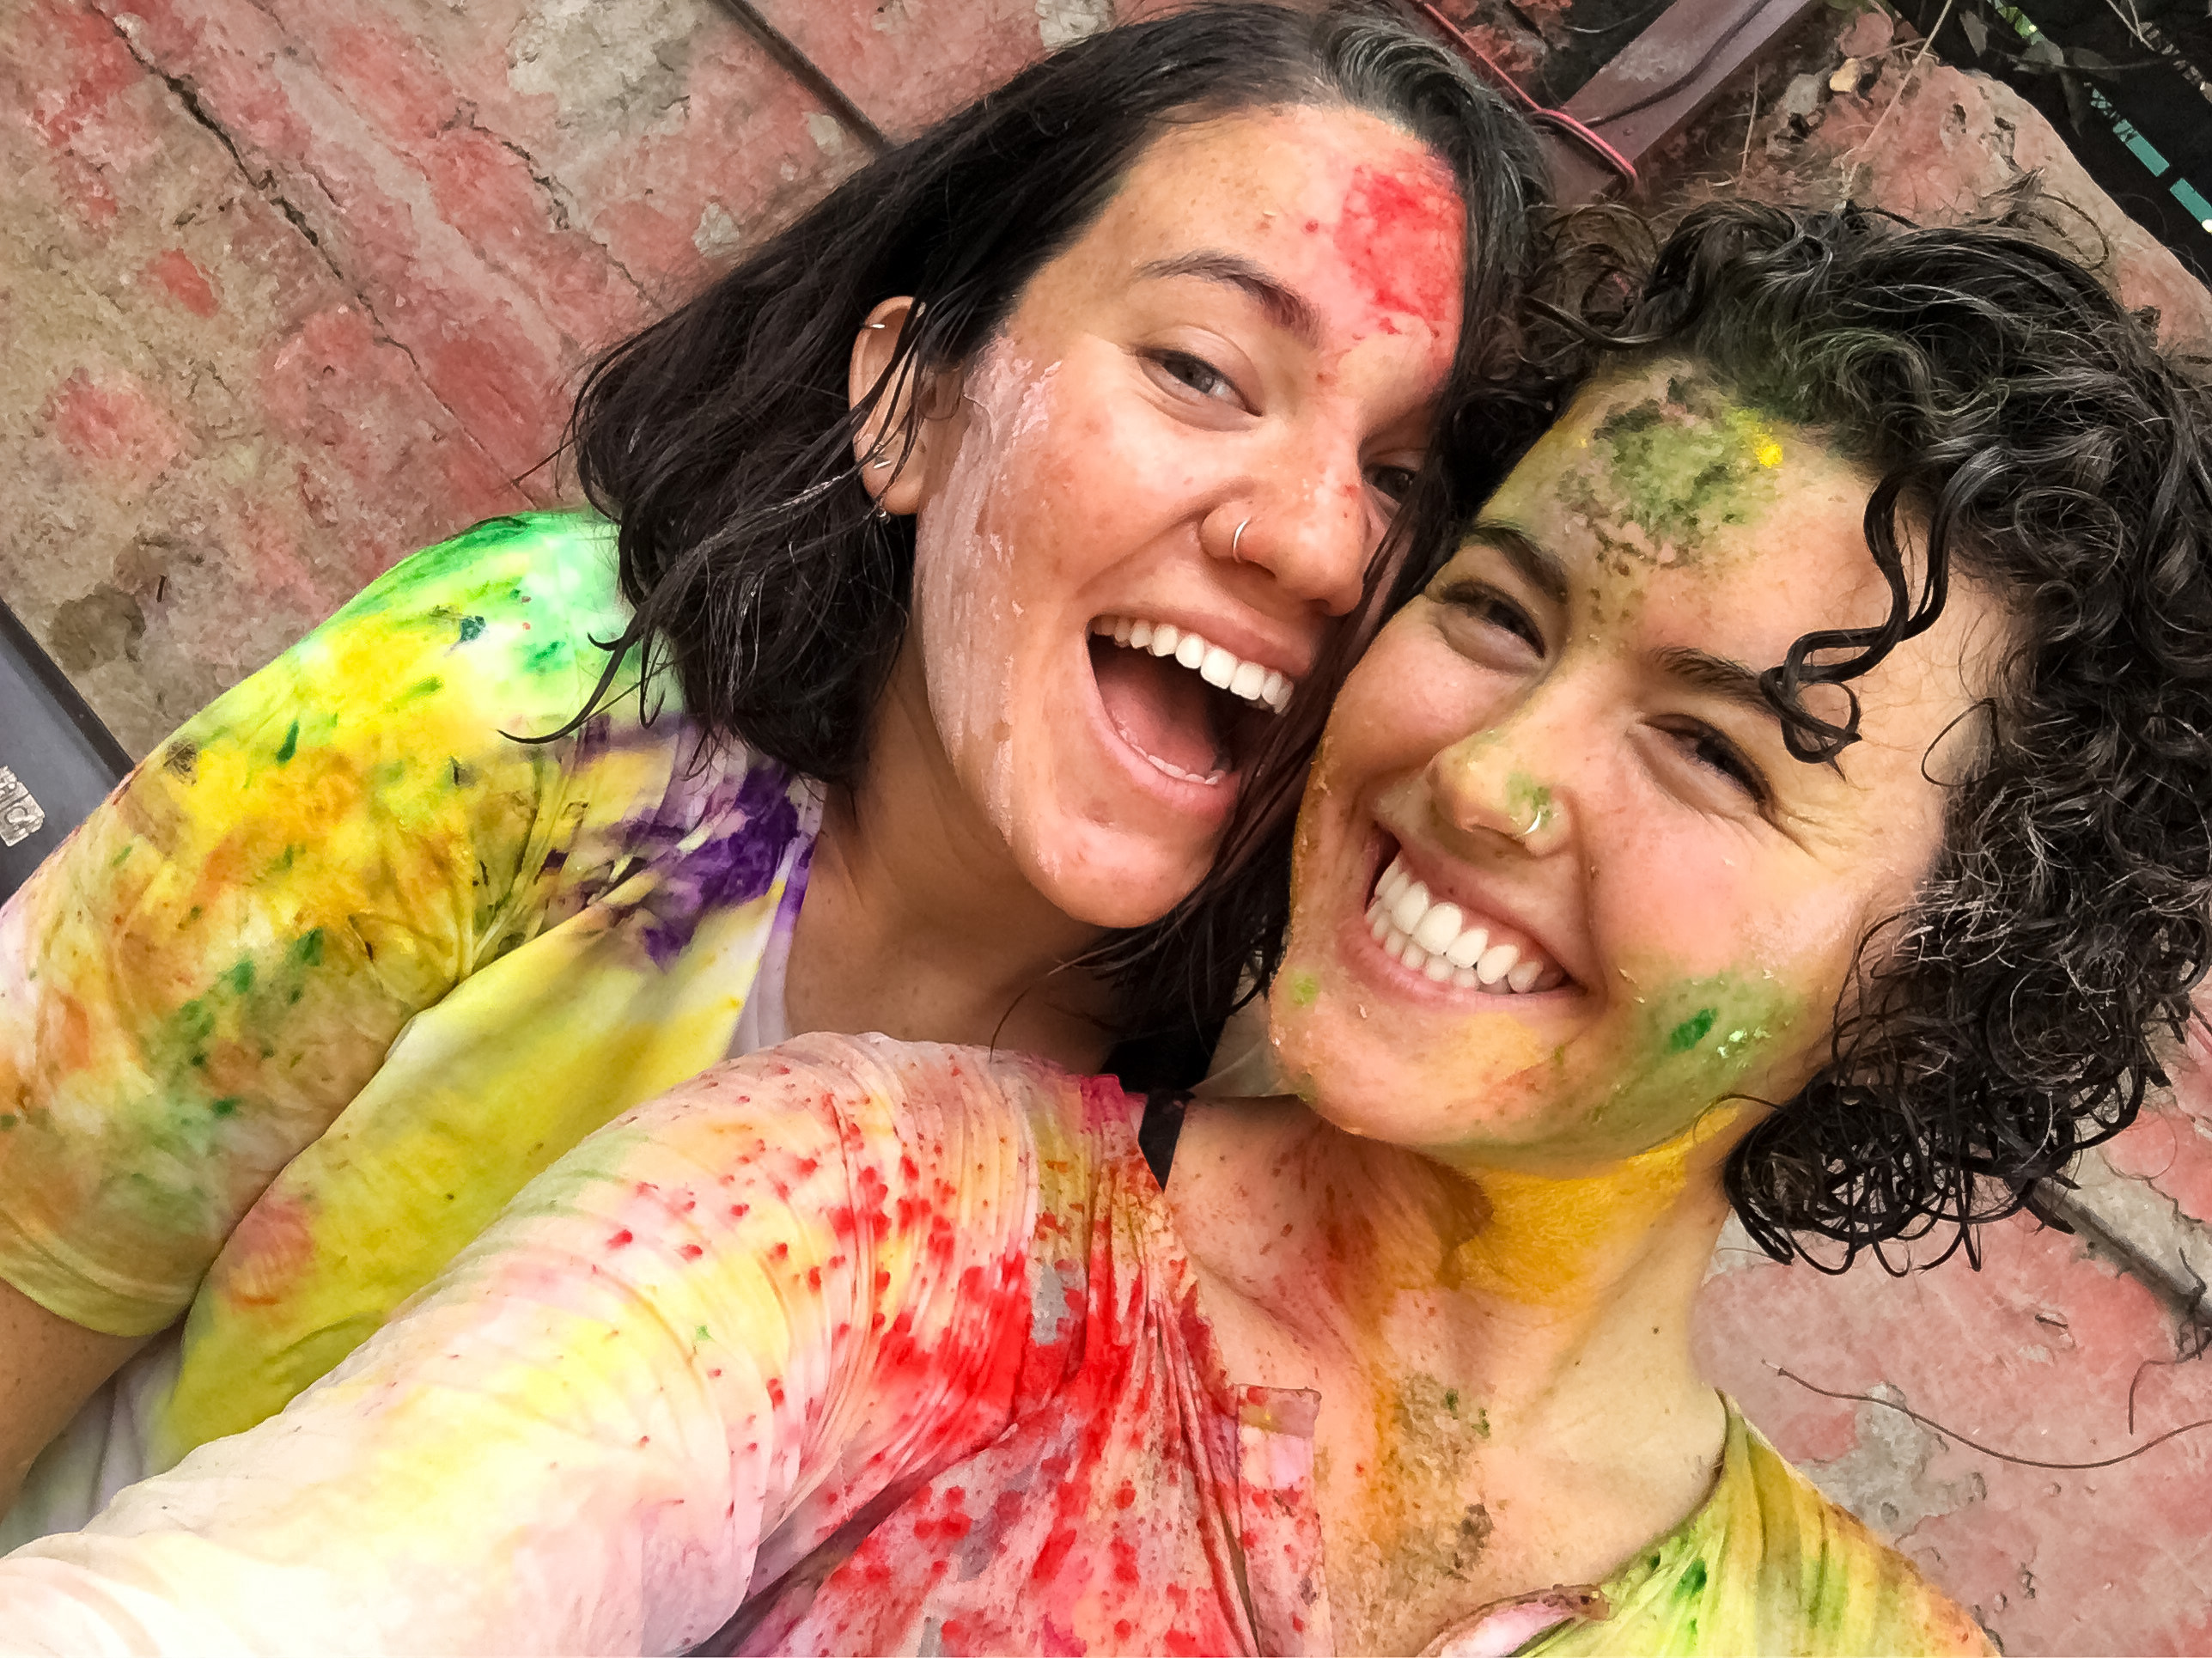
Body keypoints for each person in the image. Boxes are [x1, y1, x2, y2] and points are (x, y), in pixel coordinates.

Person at [12, 198, 2207, 1656]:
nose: (1486, 772)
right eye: (1501, 612)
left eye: (1716, 753)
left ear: (1939, 990)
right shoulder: (858, 1228)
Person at [0, 2, 1552, 1540]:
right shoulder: (526, 709)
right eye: (1206, 370)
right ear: (910, 402)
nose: (1319, 542)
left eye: (1399, 481)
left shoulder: (1225, 1178)